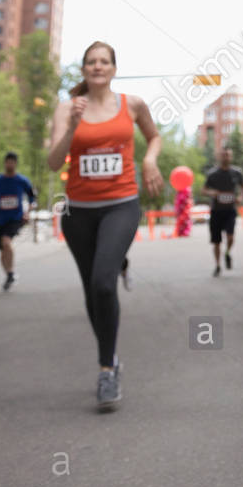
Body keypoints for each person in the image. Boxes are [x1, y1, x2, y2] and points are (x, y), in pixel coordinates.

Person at [48, 41, 163, 412]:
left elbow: (155, 137)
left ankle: (105, 369)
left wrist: (149, 161)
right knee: (91, 293)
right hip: (79, 211)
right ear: (83, 70)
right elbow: (53, 162)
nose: (97, 67)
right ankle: (111, 357)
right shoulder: (67, 108)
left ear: (113, 68)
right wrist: (72, 128)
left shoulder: (131, 104)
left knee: (102, 282)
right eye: (91, 62)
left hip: (121, 205)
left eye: (104, 61)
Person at [0, 151, 36, 290]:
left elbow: (33, 198)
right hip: (0, 220)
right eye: (8, 161)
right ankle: (9, 274)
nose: (10, 164)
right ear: (5, 163)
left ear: (16, 164)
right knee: (2, 251)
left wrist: (27, 213)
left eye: (13, 162)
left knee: (6, 242)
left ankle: (11, 271)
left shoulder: (22, 181)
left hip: (16, 218)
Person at [204, 146, 243, 277]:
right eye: (223, 155)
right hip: (216, 211)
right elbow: (204, 190)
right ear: (219, 156)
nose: (225, 157)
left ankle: (227, 253)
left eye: (228, 155)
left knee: (230, 237)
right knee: (216, 241)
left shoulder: (236, 173)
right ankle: (217, 265)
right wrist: (213, 192)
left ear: (231, 157)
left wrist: (240, 197)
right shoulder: (212, 174)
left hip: (230, 211)